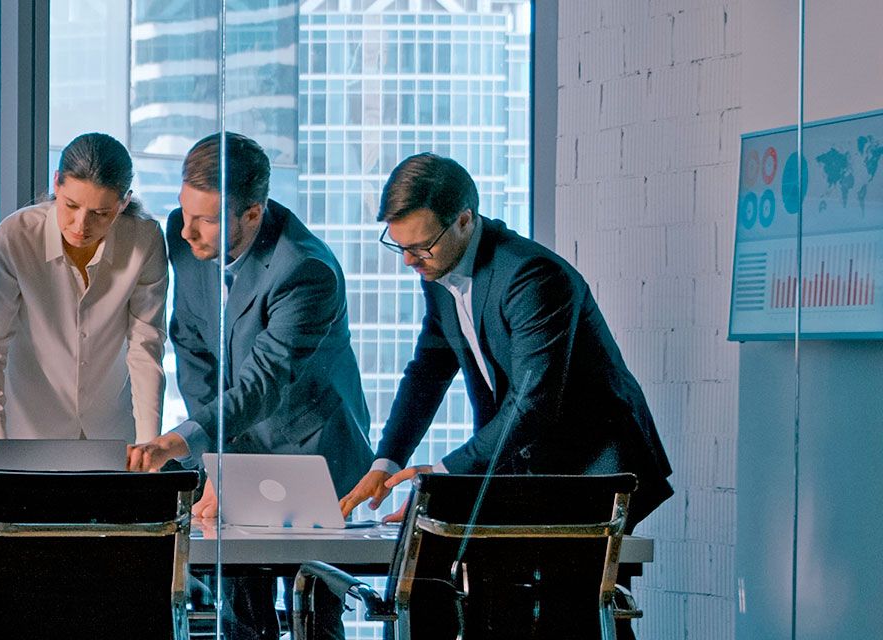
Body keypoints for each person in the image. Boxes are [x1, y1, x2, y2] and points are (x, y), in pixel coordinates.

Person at [337, 153, 673, 638]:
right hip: (531, 466)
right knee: (498, 601)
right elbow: (428, 370)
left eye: (421, 247)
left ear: (465, 220)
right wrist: (386, 462)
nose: (409, 261)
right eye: (399, 246)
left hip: (592, 468)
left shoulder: (532, 276)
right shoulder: (438, 270)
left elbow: (533, 402)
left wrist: (444, 474)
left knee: (571, 613)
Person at [126, 132, 373, 640]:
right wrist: (213, 454)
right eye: (185, 212)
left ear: (254, 214)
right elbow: (192, 346)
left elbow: (264, 381)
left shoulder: (306, 269)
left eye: (209, 220)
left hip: (310, 453)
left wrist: (181, 439)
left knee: (313, 615)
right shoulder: (182, 232)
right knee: (239, 614)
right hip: (233, 444)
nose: (189, 233)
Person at [0, 132, 168, 443]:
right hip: (29, 433)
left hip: (112, 430)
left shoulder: (145, 240)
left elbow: (146, 346)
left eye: (101, 214)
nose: (81, 225)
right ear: (57, 182)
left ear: (124, 201)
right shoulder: (15, 237)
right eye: (71, 205)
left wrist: (147, 445)